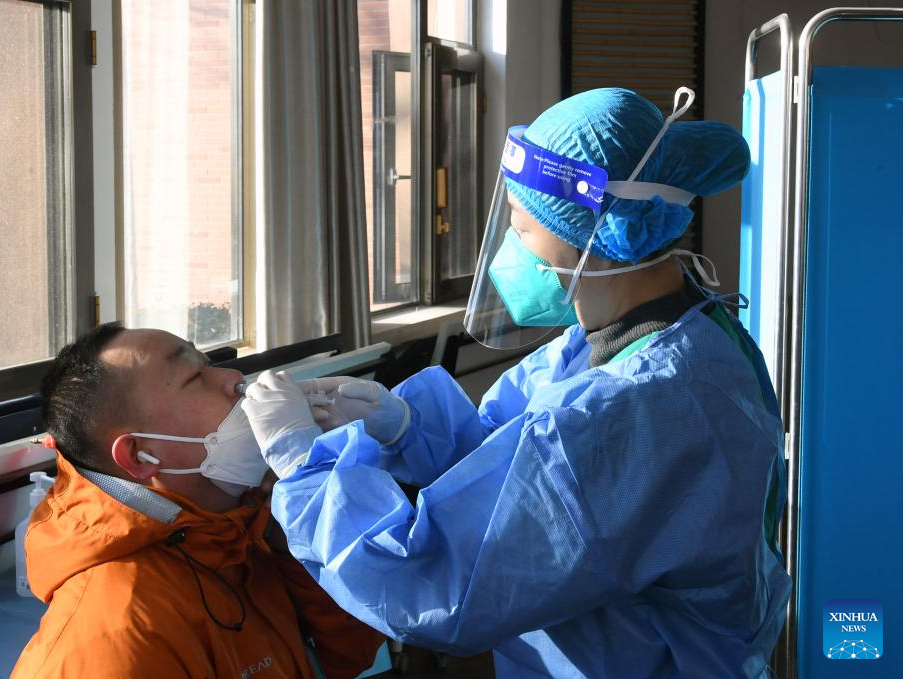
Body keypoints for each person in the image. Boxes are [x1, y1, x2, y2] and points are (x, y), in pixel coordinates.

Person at [242, 88, 791, 677]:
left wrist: (305, 468)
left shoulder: (635, 407)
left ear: (600, 236)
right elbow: (517, 461)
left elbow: (439, 583)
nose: (510, 245)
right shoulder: (665, 329)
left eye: (524, 229)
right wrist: (404, 427)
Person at [12, 322, 383, 679]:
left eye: (209, 364)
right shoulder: (117, 638)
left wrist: (303, 539)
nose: (233, 378)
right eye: (195, 377)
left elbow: (347, 656)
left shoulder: (238, 526)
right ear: (140, 456)